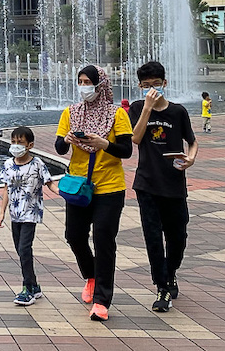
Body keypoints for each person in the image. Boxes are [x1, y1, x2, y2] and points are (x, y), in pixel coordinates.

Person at [55, 64, 133, 322]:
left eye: (88, 81)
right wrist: (66, 139)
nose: (84, 86)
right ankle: (90, 275)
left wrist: (104, 144)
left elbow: (126, 150)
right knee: (74, 236)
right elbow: (59, 149)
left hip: (109, 186)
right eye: (80, 81)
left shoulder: (116, 114)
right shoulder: (71, 112)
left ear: (101, 85)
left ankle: (102, 300)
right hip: (79, 186)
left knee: (103, 238)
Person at [128, 62, 198, 313]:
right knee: (153, 238)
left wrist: (191, 158)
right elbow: (135, 138)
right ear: (140, 86)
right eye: (146, 86)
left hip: (174, 184)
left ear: (165, 84)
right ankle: (162, 287)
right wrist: (147, 107)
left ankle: (170, 272)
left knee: (178, 236)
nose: (152, 89)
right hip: (146, 183)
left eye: (156, 85)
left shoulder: (178, 112)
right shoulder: (136, 108)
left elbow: (192, 141)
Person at [0, 126, 55, 306]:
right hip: (15, 215)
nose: (16, 146)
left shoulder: (37, 164)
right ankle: (35, 286)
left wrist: (62, 191)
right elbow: (6, 189)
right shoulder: (8, 164)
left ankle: (27, 288)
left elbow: (49, 182)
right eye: (13, 142)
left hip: (30, 213)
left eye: (20, 143)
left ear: (30, 145)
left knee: (24, 249)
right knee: (20, 250)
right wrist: (2, 212)